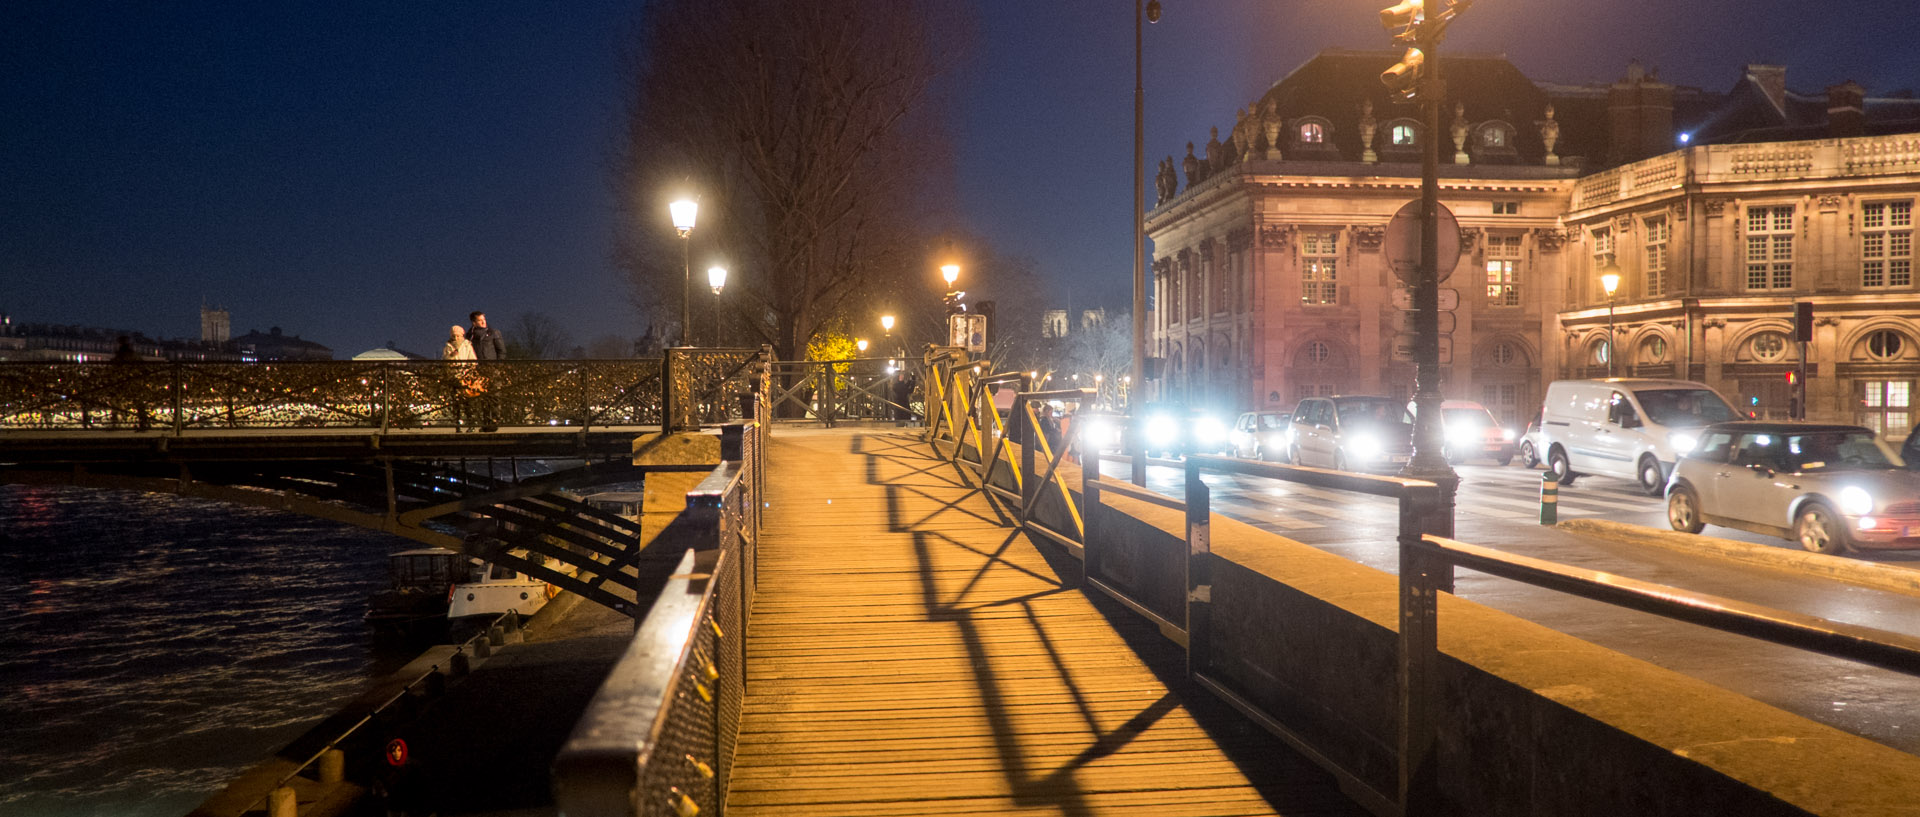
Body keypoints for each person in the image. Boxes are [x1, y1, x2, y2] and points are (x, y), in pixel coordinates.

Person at [467, 312, 507, 431]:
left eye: (484, 319)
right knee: (483, 396)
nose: (484, 322)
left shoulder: (493, 333)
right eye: (480, 320)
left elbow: (502, 351)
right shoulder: (470, 335)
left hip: (492, 368)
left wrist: (497, 366)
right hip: (478, 369)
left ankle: (494, 421)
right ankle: (486, 422)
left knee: (495, 395)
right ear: (474, 322)